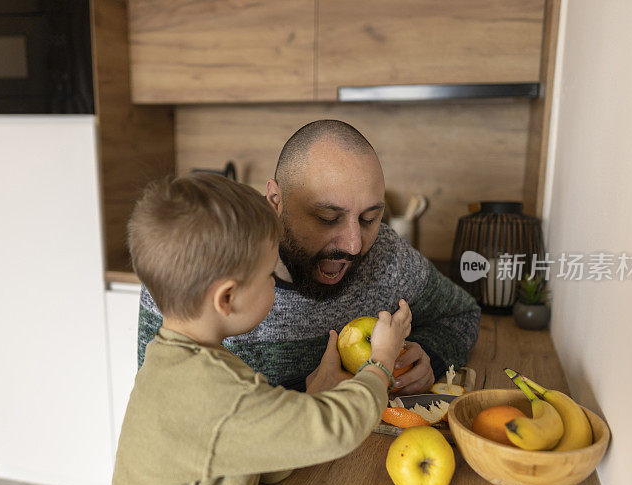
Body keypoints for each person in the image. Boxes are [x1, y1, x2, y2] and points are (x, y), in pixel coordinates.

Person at [102, 173, 411, 485]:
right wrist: (380, 363)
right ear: (227, 299)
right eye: (267, 275)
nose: (274, 284)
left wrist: (312, 397)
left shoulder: (174, 357)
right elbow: (336, 430)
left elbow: (252, 448)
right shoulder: (215, 391)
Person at [137, 120, 481, 396]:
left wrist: (429, 359)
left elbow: (461, 314)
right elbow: (170, 424)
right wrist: (314, 403)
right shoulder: (192, 264)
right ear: (275, 199)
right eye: (327, 218)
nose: (354, 245)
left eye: (369, 218)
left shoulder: (387, 256)